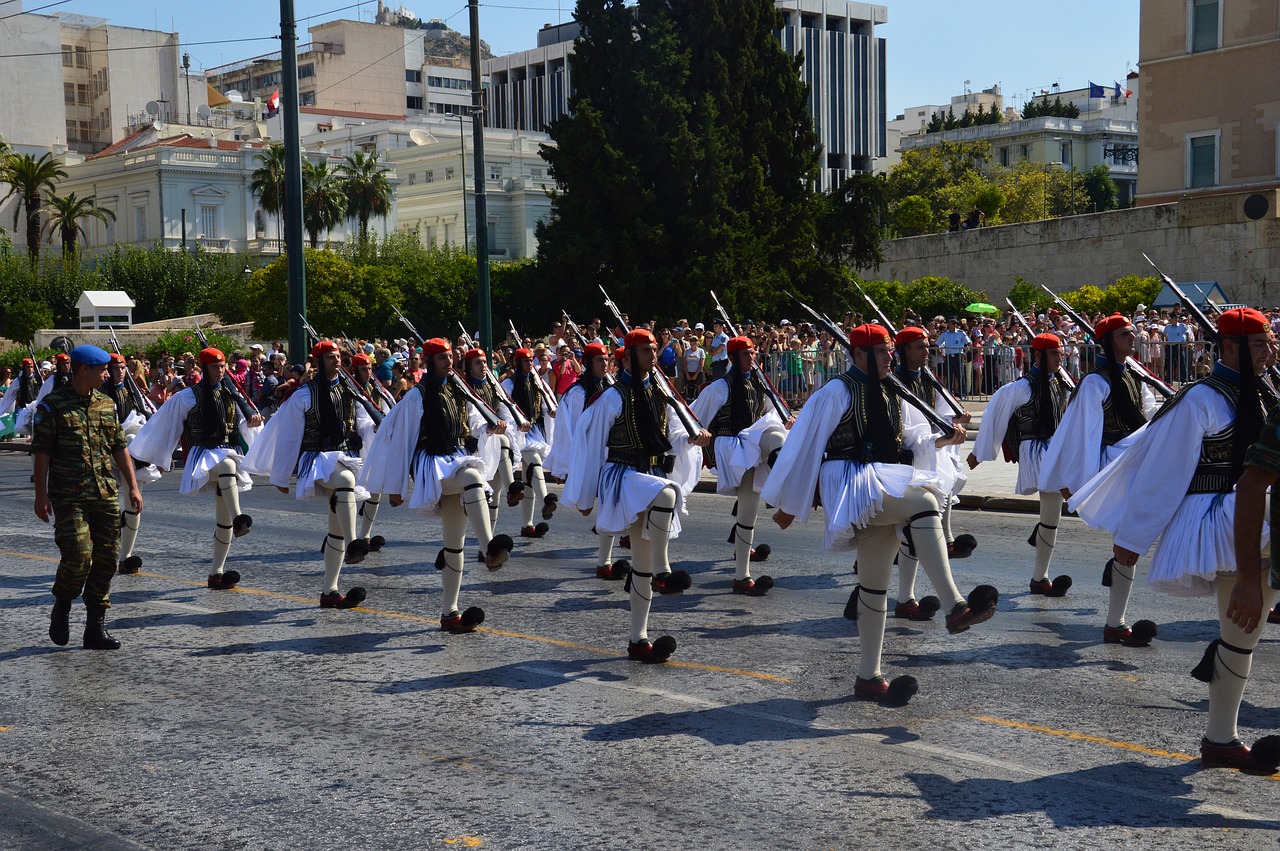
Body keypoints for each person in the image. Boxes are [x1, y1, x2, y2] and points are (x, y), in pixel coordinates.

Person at [1073, 308, 1275, 771]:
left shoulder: (1261, 390)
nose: (1270, 352)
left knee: (1244, 630)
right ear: (1230, 348)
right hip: (1219, 516)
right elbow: (1164, 470)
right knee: (1243, 627)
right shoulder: (1201, 399)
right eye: (1260, 344)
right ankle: (1221, 732)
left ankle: (1220, 726)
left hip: (1253, 511)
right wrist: (1134, 536)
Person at [761, 323, 996, 703]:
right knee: (924, 502)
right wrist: (789, 503)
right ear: (859, 354)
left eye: (890, 350)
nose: (891, 356)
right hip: (852, 480)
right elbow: (803, 446)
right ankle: (954, 606)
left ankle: (868, 677)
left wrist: (941, 440)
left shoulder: (894, 390)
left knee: (874, 583)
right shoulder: (836, 391)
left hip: (883, 480)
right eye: (883, 350)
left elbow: (912, 438)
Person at [562, 329, 710, 662]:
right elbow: (589, 443)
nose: (653, 356)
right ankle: (663, 571)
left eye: (655, 350)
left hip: (651, 474)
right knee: (667, 494)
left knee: (638, 566)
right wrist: (586, 497)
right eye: (646, 351)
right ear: (628, 357)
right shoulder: (612, 398)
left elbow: (671, 433)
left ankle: (637, 640)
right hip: (624, 475)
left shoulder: (660, 392)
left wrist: (691, 438)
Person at [359, 338, 515, 633]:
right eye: (442, 357)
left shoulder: (458, 389)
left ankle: (450, 613)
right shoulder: (417, 395)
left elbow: (473, 422)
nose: (449, 361)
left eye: (450, 356)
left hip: (455, 458)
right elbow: (402, 439)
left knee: (453, 544)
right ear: (430, 361)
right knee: (472, 478)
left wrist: (490, 428)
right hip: (430, 463)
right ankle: (489, 549)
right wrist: (396, 484)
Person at [1038, 315, 1159, 645]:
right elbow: (1081, 437)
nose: (1133, 339)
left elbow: (1149, 416)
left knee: (1132, 540)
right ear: (1108, 341)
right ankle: (1115, 622)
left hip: (1134, 460)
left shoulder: (1134, 373)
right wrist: (1075, 485)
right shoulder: (1094, 383)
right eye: (1125, 335)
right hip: (1113, 466)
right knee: (1128, 540)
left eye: (1133, 333)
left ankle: (1115, 609)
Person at [243, 341, 376, 607]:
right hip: (317, 460)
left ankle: (329, 591)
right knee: (345, 481)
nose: (336, 361)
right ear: (318, 362)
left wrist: (376, 429)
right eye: (330, 357)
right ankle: (354, 543)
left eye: (338, 357)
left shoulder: (352, 391)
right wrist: (280, 476)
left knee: (335, 526)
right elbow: (289, 437)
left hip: (346, 457)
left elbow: (362, 423)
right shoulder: (304, 395)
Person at [33, 345, 142, 650]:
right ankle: (63, 605)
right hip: (69, 496)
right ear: (85, 370)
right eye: (103, 369)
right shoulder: (52, 407)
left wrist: (132, 486)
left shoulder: (106, 404)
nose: (107, 374)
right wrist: (41, 495)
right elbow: (42, 453)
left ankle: (95, 628)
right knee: (80, 557)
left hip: (105, 492)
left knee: (107, 559)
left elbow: (119, 447)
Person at [128, 348, 263, 590]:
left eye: (223, 367)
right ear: (204, 368)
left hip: (228, 452)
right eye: (214, 367)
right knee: (227, 464)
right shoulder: (187, 397)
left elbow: (243, 421)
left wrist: (253, 420)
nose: (220, 371)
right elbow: (165, 425)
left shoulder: (232, 393)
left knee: (222, 518)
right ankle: (239, 518)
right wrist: (158, 456)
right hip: (203, 455)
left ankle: (216, 573)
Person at [968, 333, 1073, 596]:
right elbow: (995, 418)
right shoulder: (1019, 388)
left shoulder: (1063, 381)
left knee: (1052, 515)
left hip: (1057, 448)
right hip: (1035, 449)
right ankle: (1040, 576)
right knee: (1057, 498)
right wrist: (978, 455)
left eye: (1061, 352)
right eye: (1054, 353)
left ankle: (1040, 575)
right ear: (1037, 356)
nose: (1061, 357)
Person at [690, 335, 790, 595]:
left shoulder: (759, 384)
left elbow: (773, 413)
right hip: (732, 449)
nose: (751, 358)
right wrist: (697, 438)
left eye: (753, 353)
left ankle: (741, 576)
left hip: (753, 447)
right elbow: (695, 417)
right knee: (773, 440)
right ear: (733, 358)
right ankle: (782, 492)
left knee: (748, 511)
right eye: (746, 354)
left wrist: (785, 418)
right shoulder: (720, 388)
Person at [890, 326, 976, 620]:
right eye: (919, 347)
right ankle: (887, 596)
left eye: (927, 346)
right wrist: (940, 439)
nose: (927, 351)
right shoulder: (894, 383)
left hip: (926, 457)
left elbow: (937, 414)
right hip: (904, 462)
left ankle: (903, 599)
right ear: (904, 352)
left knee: (913, 533)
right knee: (909, 533)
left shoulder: (925, 377)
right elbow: (904, 431)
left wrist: (954, 419)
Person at [546, 342, 629, 580]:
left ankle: (605, 562)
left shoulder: (612, 387)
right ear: (588, 363)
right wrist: (568, 468)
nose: (605, 365)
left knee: (610, 504)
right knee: (603, 505)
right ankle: (605, 562)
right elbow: (569, 433)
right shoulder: (577, 393)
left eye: (607, 360)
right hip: (589, 457)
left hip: (611, 454)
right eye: (599, 361)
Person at [100, 352, 161, 575]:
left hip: (128, 453)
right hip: (104, 451)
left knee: (133, 501)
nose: (120, 372)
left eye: (123, 368)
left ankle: (126, 556)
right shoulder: (99, 393)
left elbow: (146, 416)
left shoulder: (131, 391)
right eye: (116, 369)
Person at [461, 347, 522, 537]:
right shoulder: (467, 390)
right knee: (502, 440)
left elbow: (504, 411)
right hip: (476, 446)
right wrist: (488, 429)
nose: (483, 366)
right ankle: (512, 487)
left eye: (485, 362)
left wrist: (515, 423)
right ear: (469, 367)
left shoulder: (493, 386)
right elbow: (472, 421)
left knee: (495, 496)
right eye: (478, 363)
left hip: (495, 444)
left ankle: (488, 543)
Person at [502, 348, 558, 538]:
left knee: (529, 479)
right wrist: (518, 424)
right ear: (517, 364)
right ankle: (545, 500)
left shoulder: (538, 382)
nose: (529, 364)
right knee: (534, 462)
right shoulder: (508, 384)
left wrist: (549, 412)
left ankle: (527, 525)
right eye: (524, 362)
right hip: (517, 435)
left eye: (529, 361)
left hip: (534, 433)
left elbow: (546, 402)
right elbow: (504, 409)